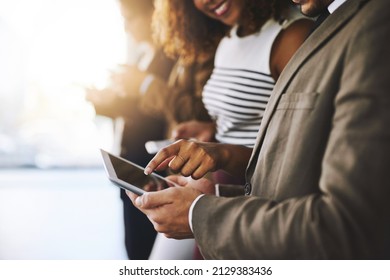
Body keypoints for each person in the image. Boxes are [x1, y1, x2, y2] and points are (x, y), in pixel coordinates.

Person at [128, 0, 390, 259]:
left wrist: (199, 213)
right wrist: (215, 188)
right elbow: (289, 160)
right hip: (240, 196)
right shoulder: (327, 21)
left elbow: (343, 224)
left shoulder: (368, 26)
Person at [168, 0, 313, 185]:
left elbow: (299, 154)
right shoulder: (230, 38)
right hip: (224, 192)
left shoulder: (292, 37)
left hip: (262, 200)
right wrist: (213, 130)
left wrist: (224, 154)